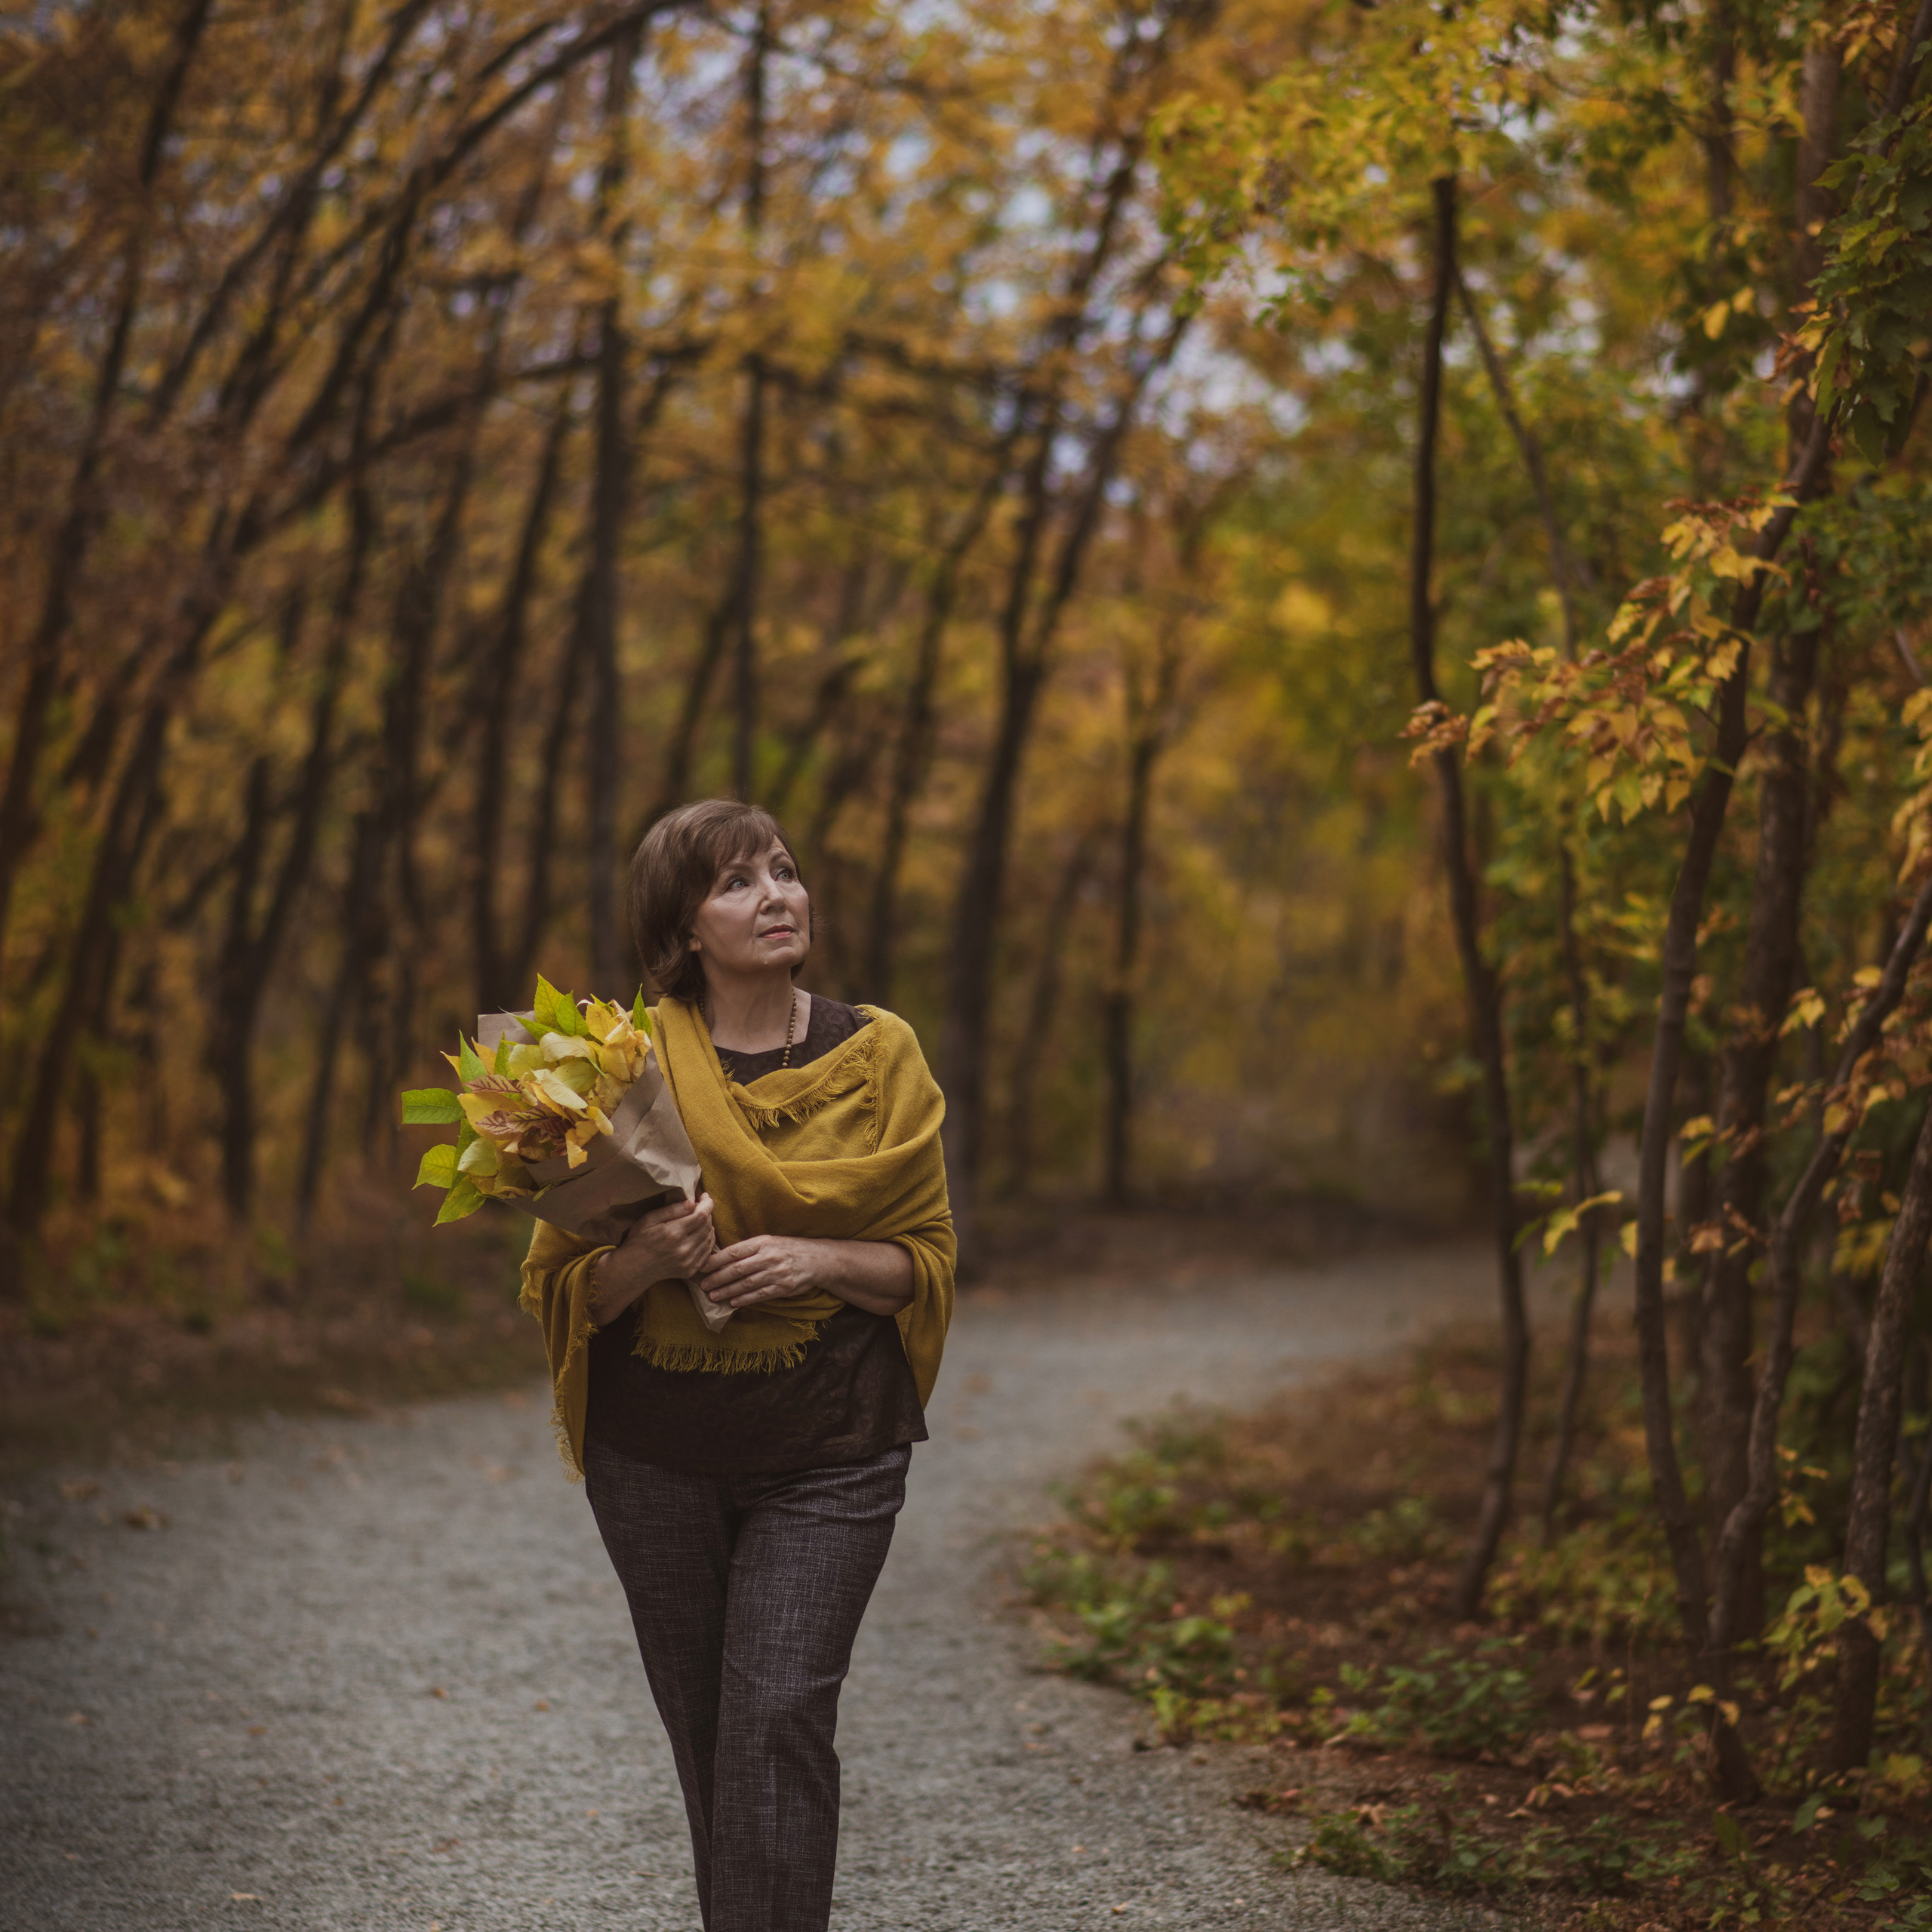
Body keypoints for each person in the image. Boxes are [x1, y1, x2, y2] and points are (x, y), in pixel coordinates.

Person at [519, 798, 954, 1932]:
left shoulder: (879, 1054)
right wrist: (648, 1259)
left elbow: (927, 1261)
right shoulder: (613, 1067)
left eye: (785, 871)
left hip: (834, 1447)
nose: (775, 896)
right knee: (712, 1740)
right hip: (654, 1455)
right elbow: (565, 1286)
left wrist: (817, 1256)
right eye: (736, 882)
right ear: (685, 926)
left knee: (775, 1723)